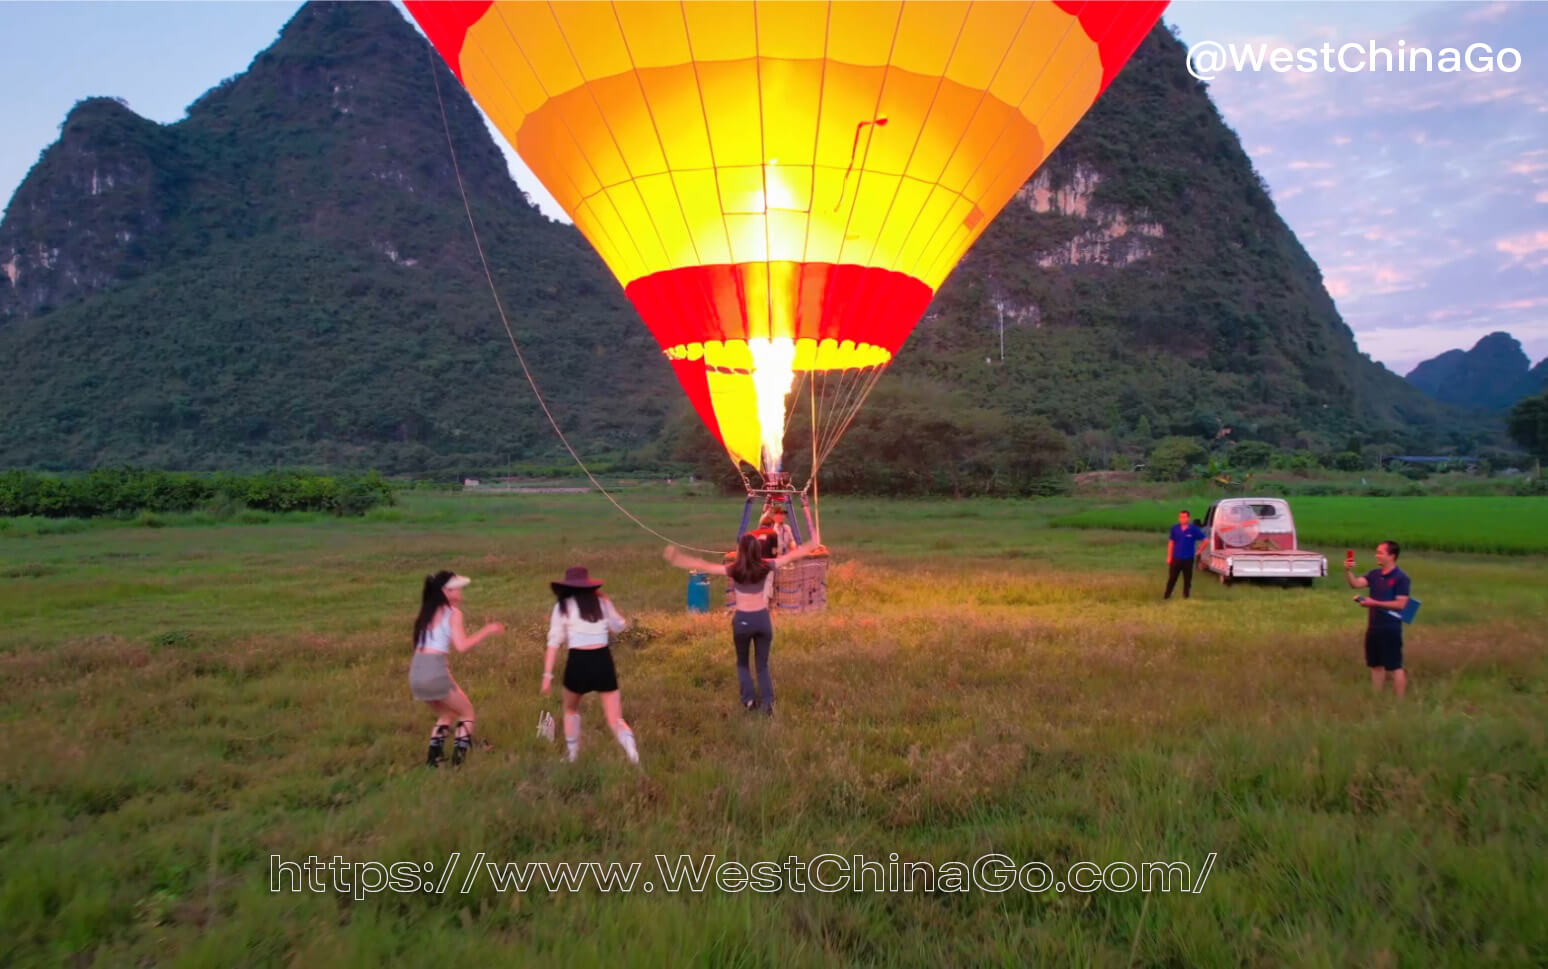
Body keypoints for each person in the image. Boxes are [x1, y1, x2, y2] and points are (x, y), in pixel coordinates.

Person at [663, 532, 820, 715]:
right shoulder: (765, 566)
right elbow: (791, 556)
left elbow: (703, 566)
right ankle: (768, 703)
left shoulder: (735, 569)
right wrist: (811, 545)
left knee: (742, 664)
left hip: (743, 621)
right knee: (762, 665)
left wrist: (677, 559)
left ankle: (749, 701)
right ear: (757, 550)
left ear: (741, 551)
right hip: (762, 620)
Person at [541, 566, 639, 764]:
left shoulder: (562, 607)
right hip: (603, 660)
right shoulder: (601, 602)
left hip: (578, 661)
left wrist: (547, 676)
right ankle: (632, 753)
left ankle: (573, 755)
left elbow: (553, 642)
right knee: (615, 719)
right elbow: (620, 626)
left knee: (570, 709)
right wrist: (612, 610)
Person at [409, 571, 504, 767]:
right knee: (467, 712)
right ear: (446, 591)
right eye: (457, 588)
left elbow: (423, 650)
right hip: (435, 669)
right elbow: (461, 646)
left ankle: (433, 760)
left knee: (447, 714)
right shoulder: (453, 613)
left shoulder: (426, 612)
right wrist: (488, 630)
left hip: (416, 671)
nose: (461, 592)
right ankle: (458, 762)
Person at [1347, 540, 1412, 697]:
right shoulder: (1374, 574)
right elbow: (1355, 584)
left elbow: (1401, 604)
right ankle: (1377, 697)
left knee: (1395, 666)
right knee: (1375, 664)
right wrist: (1348, 571)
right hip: (1374, 626)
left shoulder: (1401, 578)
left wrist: (1373, 603)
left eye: (1380, 553)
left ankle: (1400, 702)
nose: (1377, 555)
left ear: (1392, 556)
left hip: (1390, 628)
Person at [1165, 509, 1207, 599]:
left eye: (1184, 517)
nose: (1182, 519)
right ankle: (1167, 595)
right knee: (1172, 578)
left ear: (1188, 518)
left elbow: (1205, 540)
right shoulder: (1175, 529)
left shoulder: (1193, 529)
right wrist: (1169, 556)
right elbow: (1171, 543)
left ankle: (1186, 596)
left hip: (1188, 558)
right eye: (1180, 517)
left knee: (1187, 579)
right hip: (1176, 558)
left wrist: (1199, 551)